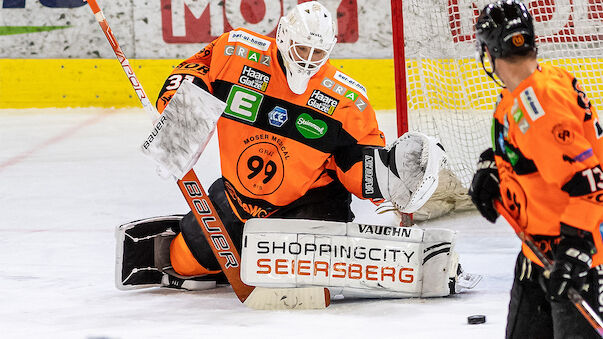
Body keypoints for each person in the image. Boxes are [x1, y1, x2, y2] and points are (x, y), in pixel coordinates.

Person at [148, 2, 445, 283]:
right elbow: (194, 69)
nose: (306, 59)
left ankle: (270, 258)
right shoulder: (235, 53)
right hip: (239, 199)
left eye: (317, 53)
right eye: (301, 47)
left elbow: (358, 165)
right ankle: (236, 258)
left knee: (301, 277)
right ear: (282, 36)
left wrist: (384, 179)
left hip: (311, 205)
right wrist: (180, 101)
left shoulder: (347, 101)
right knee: (182, 262)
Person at [470, 0, 603, 337]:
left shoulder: (540, 108)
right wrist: (493, 168)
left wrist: (576, 251)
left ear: (489, 51)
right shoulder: (531, 88)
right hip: (537, 254)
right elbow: (526, 153)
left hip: (574, 260)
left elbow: (591, 184)